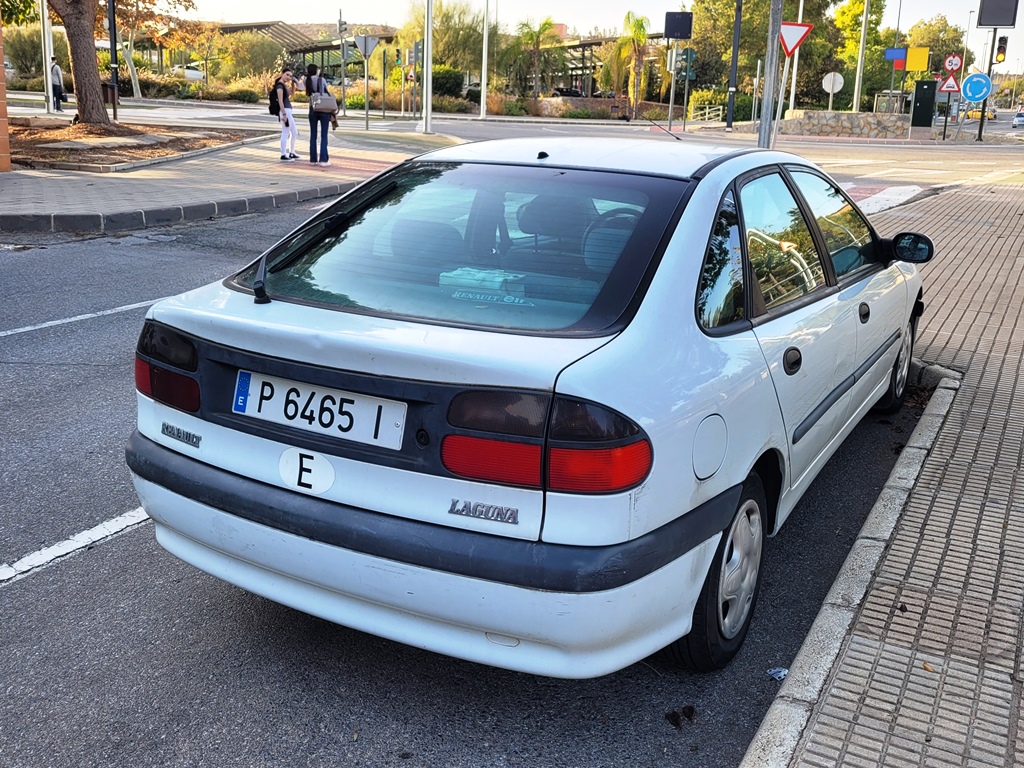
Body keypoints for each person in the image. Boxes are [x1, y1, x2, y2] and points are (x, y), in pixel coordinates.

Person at [304, 64, 333, 166]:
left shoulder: (306, 80)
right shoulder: (322, 80)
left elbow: (302, 88)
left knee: (313, 135)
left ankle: (313, 159)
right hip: (324, 109)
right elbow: (326, 91)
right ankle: (324, 160)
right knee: (324, 135)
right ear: (316, 70)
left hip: (313, 109)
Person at [274, 67, 299, 162]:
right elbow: (280, 101)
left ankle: (292, 152)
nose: (289, 77)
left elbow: (292, 93)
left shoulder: (284, 85)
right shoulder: (279, 86)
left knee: (295, 132)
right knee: (285, 133)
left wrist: (293, 83)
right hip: (285, 111)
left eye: (290, 76)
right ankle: (283, 154)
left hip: (288, 111)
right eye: (287, 75)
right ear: (282, 74)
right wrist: (283, 114)